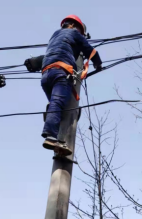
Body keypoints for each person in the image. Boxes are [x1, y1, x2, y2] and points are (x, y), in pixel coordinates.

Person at [40, 15, 103, 155]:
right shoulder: (73, 33)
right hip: (60, 73)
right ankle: (50, 136)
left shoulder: (54, 36)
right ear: (73, 26)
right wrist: (98, 64)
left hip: (45, 75)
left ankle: (59, 140)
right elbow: (89, 50)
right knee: (58, 103)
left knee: (58, 105)